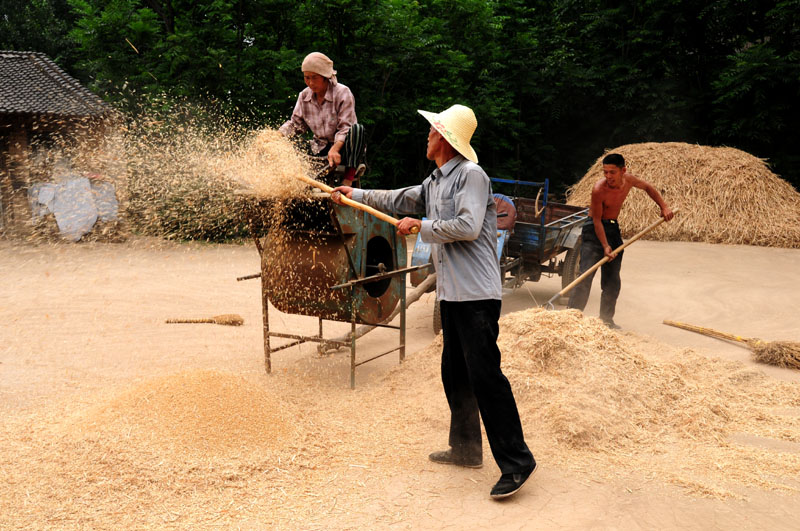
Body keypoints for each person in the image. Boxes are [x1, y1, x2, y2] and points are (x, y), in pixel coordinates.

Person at [331, 104, 536, 500]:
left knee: (485, 377)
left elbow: (468, 225)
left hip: (476, 295)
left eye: (432, 131)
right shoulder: (437, 180)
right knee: (455, 374)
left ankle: (517, 462)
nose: (427, 136)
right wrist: (353, 193)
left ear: (445, 139)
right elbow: (400, 198)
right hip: (453, 295)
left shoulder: (471, 177)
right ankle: (465, 449)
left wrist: (421, 226)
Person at [567, 153, 674, 328]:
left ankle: (606, 321)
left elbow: (648, 187)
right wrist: (605, 246)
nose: (608, 177)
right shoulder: (599, 189)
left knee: (612, 280)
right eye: (605, 172)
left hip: (612, 228)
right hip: (594, 231)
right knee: (585, 276)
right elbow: (596, 221)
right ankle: (570, 319)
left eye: (612, 172)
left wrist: (663, 206)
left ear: (623, 171)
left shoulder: (629, 180)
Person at [279, 52, 366, 186]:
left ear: (326, 77)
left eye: (314, 78)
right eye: (307, 78)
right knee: (291, 144)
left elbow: (346, 127)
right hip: (320, 148)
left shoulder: (342, 93)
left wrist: (335, 148)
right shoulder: (304, 96)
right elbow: (296, 124)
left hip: (344, 149)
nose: (310, 82)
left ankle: (348, 179)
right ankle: (297, 182)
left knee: (358, 130)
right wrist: (277, 135)